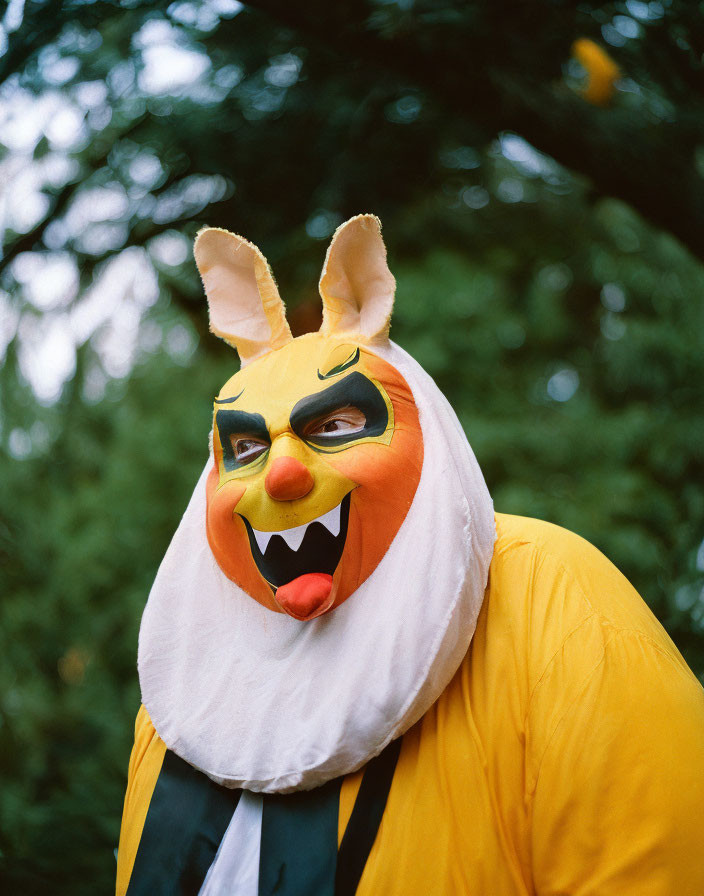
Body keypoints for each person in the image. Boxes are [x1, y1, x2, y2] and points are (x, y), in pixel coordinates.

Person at [117, 215, 704, 895]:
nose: (281, 474)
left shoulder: (550, 598)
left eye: (334, 426)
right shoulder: (187, 697)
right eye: (246, 447)